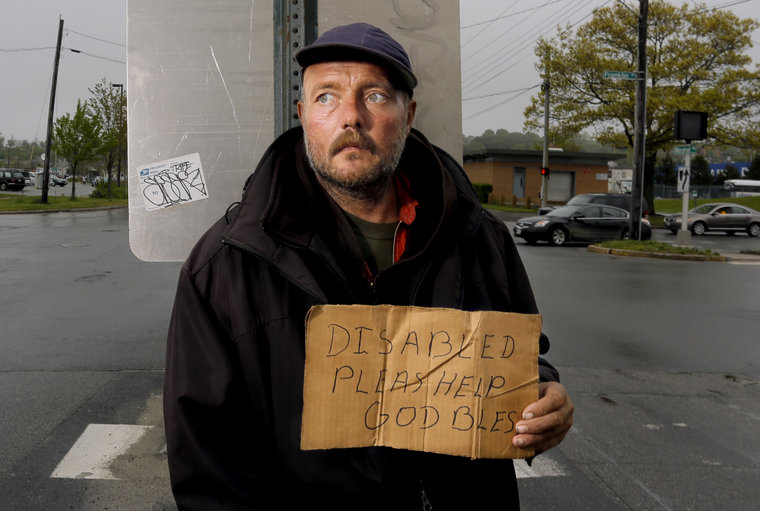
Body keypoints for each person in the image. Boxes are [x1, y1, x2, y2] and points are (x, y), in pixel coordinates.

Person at [164, 22, 573, 510]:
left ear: (408, 114)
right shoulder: (224, 266)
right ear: (302, 116)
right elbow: (209, 468)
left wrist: (545, 393)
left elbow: (521, 359)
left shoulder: (480, 238)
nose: (350, 117)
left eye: (375, 96)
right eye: (326, 97)